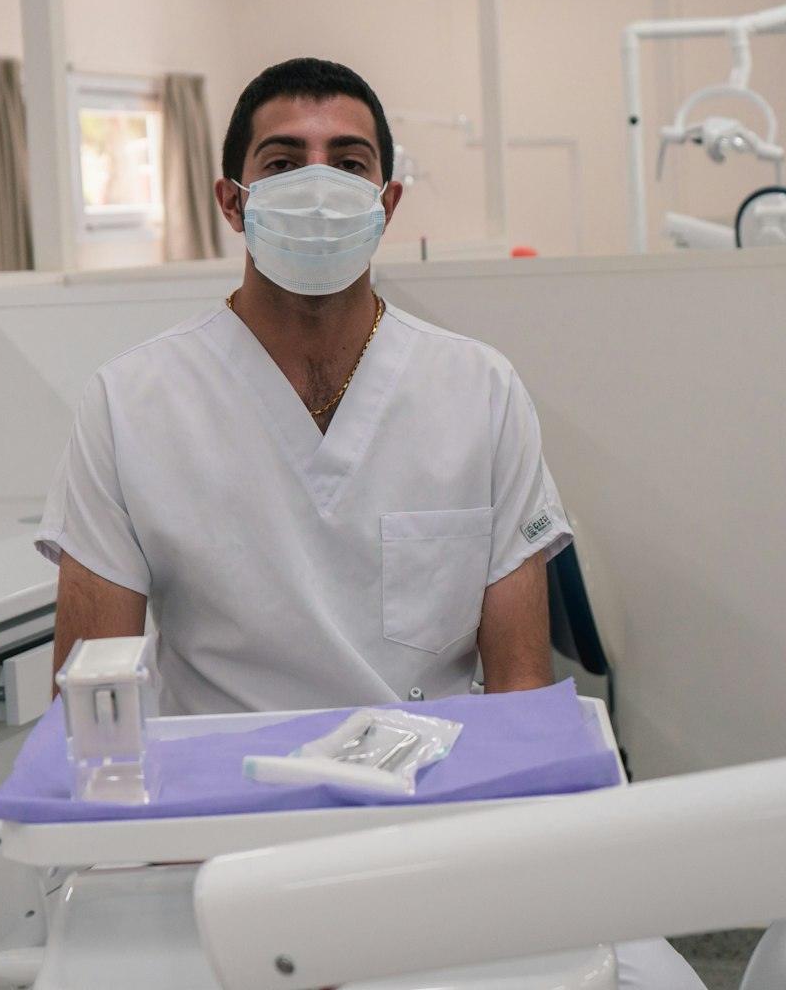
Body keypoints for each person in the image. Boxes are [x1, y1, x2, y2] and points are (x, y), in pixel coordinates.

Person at [35, 56, 703, 989]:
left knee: (651, 980)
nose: (318, 185)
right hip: (223, 841)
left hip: (436, 822)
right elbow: (86, 708)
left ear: (387, 202)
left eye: (348, 163)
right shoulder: (131, 404)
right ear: (233, 201)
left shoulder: (476, 390)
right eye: (284, 162)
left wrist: (536, 862)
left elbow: (518, 685)